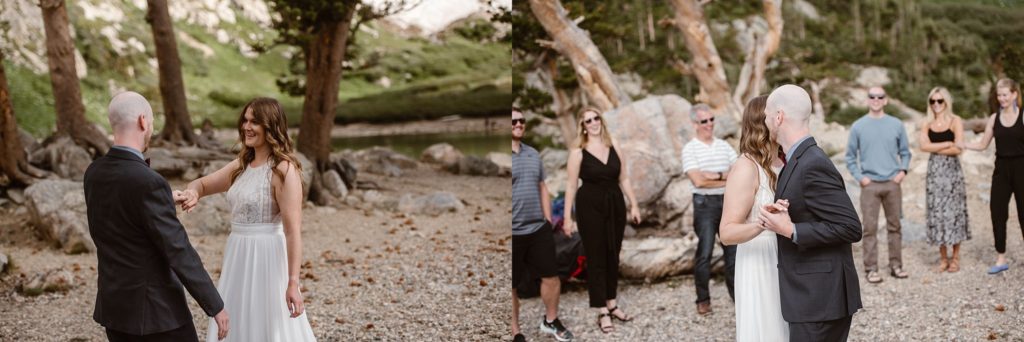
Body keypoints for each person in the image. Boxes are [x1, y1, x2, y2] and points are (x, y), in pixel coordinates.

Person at [84, 91, 229, 341]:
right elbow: (178, 250)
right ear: (143, 121)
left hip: (115, 309)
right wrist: (215, 305)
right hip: (155, 314)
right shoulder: (149, 182)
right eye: (150, 122)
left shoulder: (94, 172)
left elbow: (118, 219)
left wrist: (162, 200)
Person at [176, 98, 316, 341]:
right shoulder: (240, 166)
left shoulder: (283, 170)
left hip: (267, 259)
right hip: (237, 255)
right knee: (236, 321)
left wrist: (293, 283)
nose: (246, 127)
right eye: (245, 120)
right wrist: (192, 193)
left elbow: (293, 232)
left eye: (255, 122)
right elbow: (201, 183)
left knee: (268, 325)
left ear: (271, 126)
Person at [759, 84, 863, 341]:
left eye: (767, 115)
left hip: (820, 299)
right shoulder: (797, 159)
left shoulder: (812, 162)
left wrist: (790, 229)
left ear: (779, 117)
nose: (765, 121)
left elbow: (850, 227)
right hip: (811, 296)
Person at [562, 107, 641, 334]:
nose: (594, 122)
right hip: (590, 207)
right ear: (583, 126)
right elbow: (570, 185)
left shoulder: (613, 143)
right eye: (588, 120)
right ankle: (602, 310)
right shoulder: (578, 152)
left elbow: (623, 177)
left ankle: (612, 302)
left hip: (615, 203)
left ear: (601, 120)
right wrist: (567, 218)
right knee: (596, 257)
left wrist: (634, 204)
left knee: (612, 254)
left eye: (596, 118)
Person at [720, 95, 788, 340]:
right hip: (760, 259)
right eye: (777, 114)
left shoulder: (785, 160)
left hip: (788, 256)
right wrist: (761, 223)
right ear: (763, 121)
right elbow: (727, 233)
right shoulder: (746, 167)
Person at [511, 108, 574, 342]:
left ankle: (551, 321)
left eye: (521, 120)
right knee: (512, 285)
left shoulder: (533, 154)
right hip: (512, 233)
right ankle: (515, 331)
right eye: (513, 121)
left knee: (551, 277)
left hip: (538, 228)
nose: (518, 124)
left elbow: (542, 187)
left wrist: (548, 220)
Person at [845, 86, 912, 283]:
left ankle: (896, 265)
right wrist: (860, 178)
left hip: (893, 183)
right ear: (867, 100)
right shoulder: (858, 126)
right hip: (869, 185)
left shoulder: (896, 124)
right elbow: (849, 157)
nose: (876, 99)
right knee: (869, 228)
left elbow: (906, 152)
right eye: (872, 96)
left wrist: (902, 172)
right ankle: (871, 268)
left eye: (880, 96)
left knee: (895, 226)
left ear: (886, 100)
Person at [962, 78, 1024, 275]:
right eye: (999, 95)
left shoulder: (1023, 117)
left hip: (1022, 169)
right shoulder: (993, 119)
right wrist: (962, 144)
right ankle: (1001, 257)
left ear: (1014, 94)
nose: (1002, 98)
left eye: (1005, 94)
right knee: (997, 212)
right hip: (1001, 170)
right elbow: (982, 145)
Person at [681, 103, 738, 315]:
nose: (709, 124)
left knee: (732, 253)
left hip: (728, 204)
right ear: (694, 124)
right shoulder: (690, 148)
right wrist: (725, 177)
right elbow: (698, 182)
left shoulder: (724, 146)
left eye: (712, 119)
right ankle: (703, 299)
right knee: (704, 253)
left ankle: (737, 297)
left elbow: (737, 173)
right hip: (704, 205)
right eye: (704, 121)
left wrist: (715, 175)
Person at [918, 87, 970, 273]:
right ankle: (942, 257)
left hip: (952, 171)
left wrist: (936, 147)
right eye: (933, 101)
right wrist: (947, 143)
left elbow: (959, 149)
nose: (936, 105)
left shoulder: (955, 120)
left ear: (946, 102)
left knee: (954, 213)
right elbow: (923, 146)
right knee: (937, 212)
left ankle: (955, 257)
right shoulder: (927, 122)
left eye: (940, 101)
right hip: (935, 173)